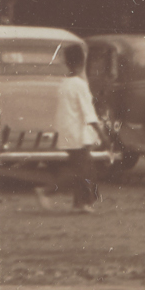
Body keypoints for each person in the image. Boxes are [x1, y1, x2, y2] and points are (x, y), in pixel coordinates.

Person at [48, 42, 102, 212]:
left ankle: (80, 203)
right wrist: (102, 134)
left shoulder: (64, 84)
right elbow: (89, 113)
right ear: (82, 62)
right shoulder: (79, 85)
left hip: (68, 132)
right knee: (83, 171)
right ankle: (47, 190)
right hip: (78, 134)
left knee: (83, 168)